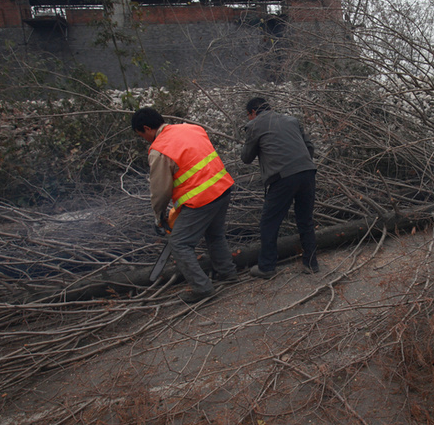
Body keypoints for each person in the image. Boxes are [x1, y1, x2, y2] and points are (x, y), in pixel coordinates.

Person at [132, 107, 238, 302]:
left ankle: (202, 288)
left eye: (142, 135)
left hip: (201, 199)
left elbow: (160, 190)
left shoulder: (159, 150)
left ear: (147, 128)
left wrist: (159, 216)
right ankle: (228, 273)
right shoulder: (191, 128)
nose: (144, 139)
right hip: (222, 187)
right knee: (214, 234)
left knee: (179, 243)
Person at [241, 96, 318, 278]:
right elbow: (310, 147)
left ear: (253, 112)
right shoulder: (292, 120)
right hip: (307, 171)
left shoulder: (255, 125)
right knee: (305, 220)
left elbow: (246, 158)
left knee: (269, 222)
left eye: (248, 115)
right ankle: (311, 263)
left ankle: (266, 267)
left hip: (283, 177)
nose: (249, 119)